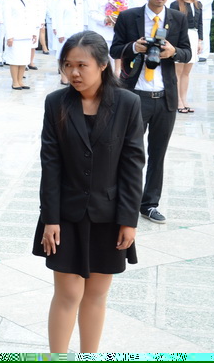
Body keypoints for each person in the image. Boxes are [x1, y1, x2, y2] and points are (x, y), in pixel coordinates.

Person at [35, 30, 144, 353]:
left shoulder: (127, 103)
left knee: (96, 294)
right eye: (68, 65)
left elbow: (132, 165)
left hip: (108, 215)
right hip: (65, 215)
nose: (74, 73)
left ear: (103, 65)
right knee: (68, 293)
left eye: (82, 65)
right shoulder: (56, 103)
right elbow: (50, 164)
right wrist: (50, 219)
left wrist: (129, 220)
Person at [111, 0, 192, 224]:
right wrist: (134, 47)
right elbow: (114, 49)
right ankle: (123, 201)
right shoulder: (128, 17)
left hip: (165, 97)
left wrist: (173, 52)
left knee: (158, 154)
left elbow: (187, 53)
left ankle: (149, 204)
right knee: (128, 152)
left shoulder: (177, 18)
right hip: (135, 96)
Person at [169, 0, 203, 113]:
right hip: (181, 37)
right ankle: (177, 100)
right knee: (178, 71)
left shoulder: (198, 4)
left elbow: (200, 24)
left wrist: (200, 41)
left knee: (187, 72)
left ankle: (184, 99)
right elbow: (172, 25)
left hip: (194, 37)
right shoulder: (175, 4)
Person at [4, 0, 37, 90]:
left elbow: (31, 17)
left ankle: (20, 81)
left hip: (26, 34)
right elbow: (7, 19)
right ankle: (15, 82)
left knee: (24, 59)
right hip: (15, 35)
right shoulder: (9, 0)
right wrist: (9, 36)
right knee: (15, 59)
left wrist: (33, 32)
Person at [54, 0, 84, 84]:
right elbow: (58, 18)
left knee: (75, 55)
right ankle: (64, 77)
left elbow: (81, 16)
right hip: (65, 32)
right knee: (63, 55)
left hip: (77, 32)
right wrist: (60, 33)